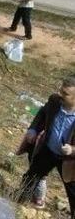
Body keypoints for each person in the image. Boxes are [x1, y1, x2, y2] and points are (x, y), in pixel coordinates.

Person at [15, 76, 75, 216]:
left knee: (73, 191)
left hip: (69, 160)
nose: (60, 94)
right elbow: (42, 113)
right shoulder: (54, 101)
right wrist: (33, 130)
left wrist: (72, 149)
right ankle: (18, 203)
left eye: (65, 93)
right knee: (31, 177)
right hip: (48, 150)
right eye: (61, 91)